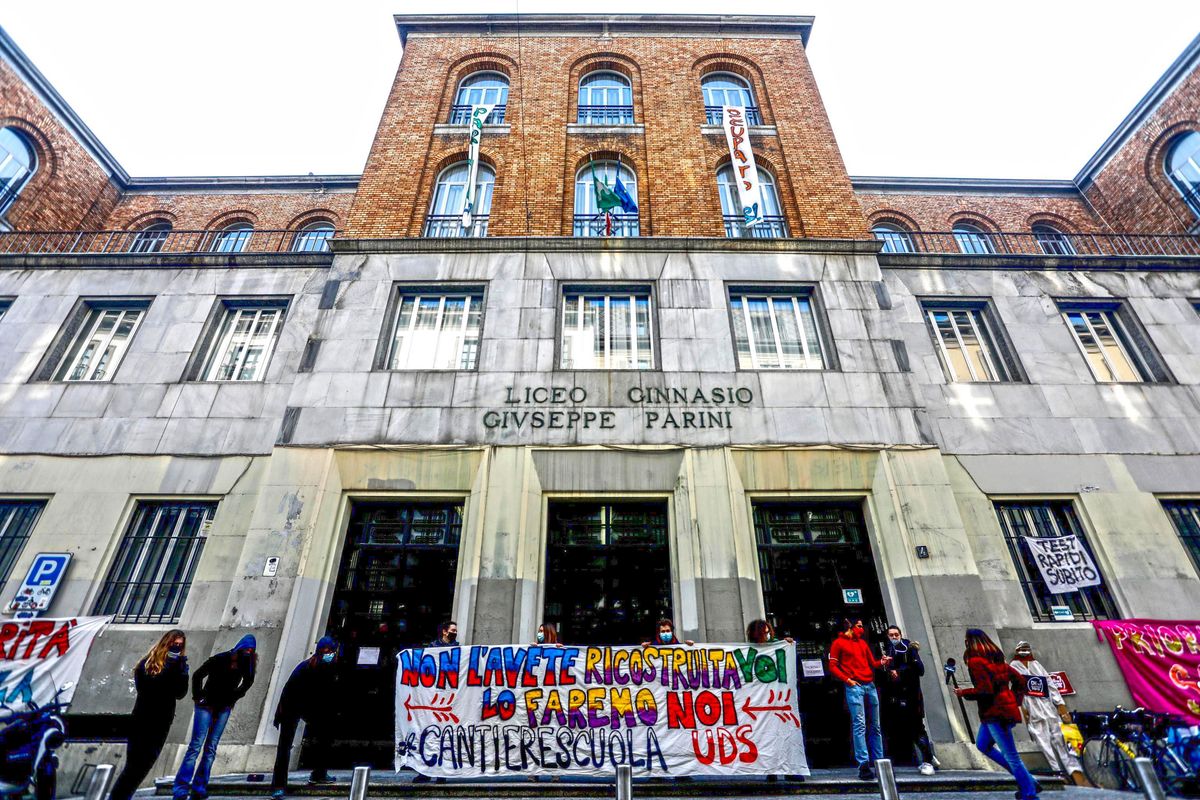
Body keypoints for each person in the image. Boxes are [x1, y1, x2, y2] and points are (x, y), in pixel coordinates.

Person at [955, 629, 1039, 800]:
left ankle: (1029, 792)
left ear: (969, 641)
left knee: (1011, 755)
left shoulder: (976, 662)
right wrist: (1013, 700)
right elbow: (1020, 681)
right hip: (998, 711)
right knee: (982, 745)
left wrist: (964, 692)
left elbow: (984, 690)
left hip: (995, 712)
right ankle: (1028, 780)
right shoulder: (997, 659)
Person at [173, 635, 257, 800]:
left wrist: (234, 697)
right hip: (206, 706)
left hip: (223, 708)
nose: (248, 653)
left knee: (211, 748)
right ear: (239, 648)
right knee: (196, 746)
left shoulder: (247, 664)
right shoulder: (220, 659)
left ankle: (199, 787)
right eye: (246, 649)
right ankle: (181, 788)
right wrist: (198, 697)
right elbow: (198, 675)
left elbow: (248, 683)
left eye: (251, 651)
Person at [110, 630, 190, 800]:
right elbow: (145, 689)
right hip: (142, 719)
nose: (177, 647)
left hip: (162, 722)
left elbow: (180, 693)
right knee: (133, 767)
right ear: (166, 643)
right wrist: (168, 669)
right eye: (174, 644)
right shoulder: (147, 663)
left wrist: (182, 673)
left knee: (144, 768)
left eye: (180, 645)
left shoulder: (178, 666)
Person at [1010, 641, 1088, 786]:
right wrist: (1022, 708)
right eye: (1022, 649)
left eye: (1027, 649)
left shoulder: (1037, 665)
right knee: (1043, 741)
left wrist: (1060, 705)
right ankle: (1057, 773)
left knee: (1062, 740)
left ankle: (1076, 772)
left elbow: (1050, 684)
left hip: (1047, 706)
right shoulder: (1014, 666)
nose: (1025, 651)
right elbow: (1016, 689)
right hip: (1032, 708)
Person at [270, 637, 340, 799]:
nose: (329, 654)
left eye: (331, 651)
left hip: (311, 708)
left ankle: (319, 773)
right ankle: (279, 785)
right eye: (326, 651)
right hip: (291, 707)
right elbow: (289, 692)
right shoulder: (306, 667)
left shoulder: (330, 668)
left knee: (325, 737)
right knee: (284, 746)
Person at [829, 619, 890, 781]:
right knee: (860, 724)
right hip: (854, 686)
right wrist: (847, 680)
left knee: (875, 725)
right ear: (850, 626)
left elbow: (872, 663)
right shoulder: (838, 643)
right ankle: (863, 764)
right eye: (859, 626)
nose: (862, 629)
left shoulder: (862, 643)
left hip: (869, 685)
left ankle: (879, 761)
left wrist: (881, 663)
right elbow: (832, 665)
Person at [746, 619, 803, 783]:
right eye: (764, 632)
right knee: (768, 737)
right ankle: (772, 770)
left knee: (785, 735)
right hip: (762, 703)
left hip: (779, 701)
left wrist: (787, 645)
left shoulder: (778, 647)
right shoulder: (750, 651)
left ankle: (790, 769)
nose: (767, 635)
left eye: (768, 631)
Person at [880, 624, 937, 776]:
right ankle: (929, 757)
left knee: (917, 727)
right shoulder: (890, 650)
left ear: (900, 634)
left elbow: (920, 670)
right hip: (900, 696)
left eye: (896, 634)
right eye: (891, 635)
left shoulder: (909, 648)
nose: (893, 637)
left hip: (912, 696)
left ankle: (927, 761)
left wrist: (899, 672)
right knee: (910, 728)